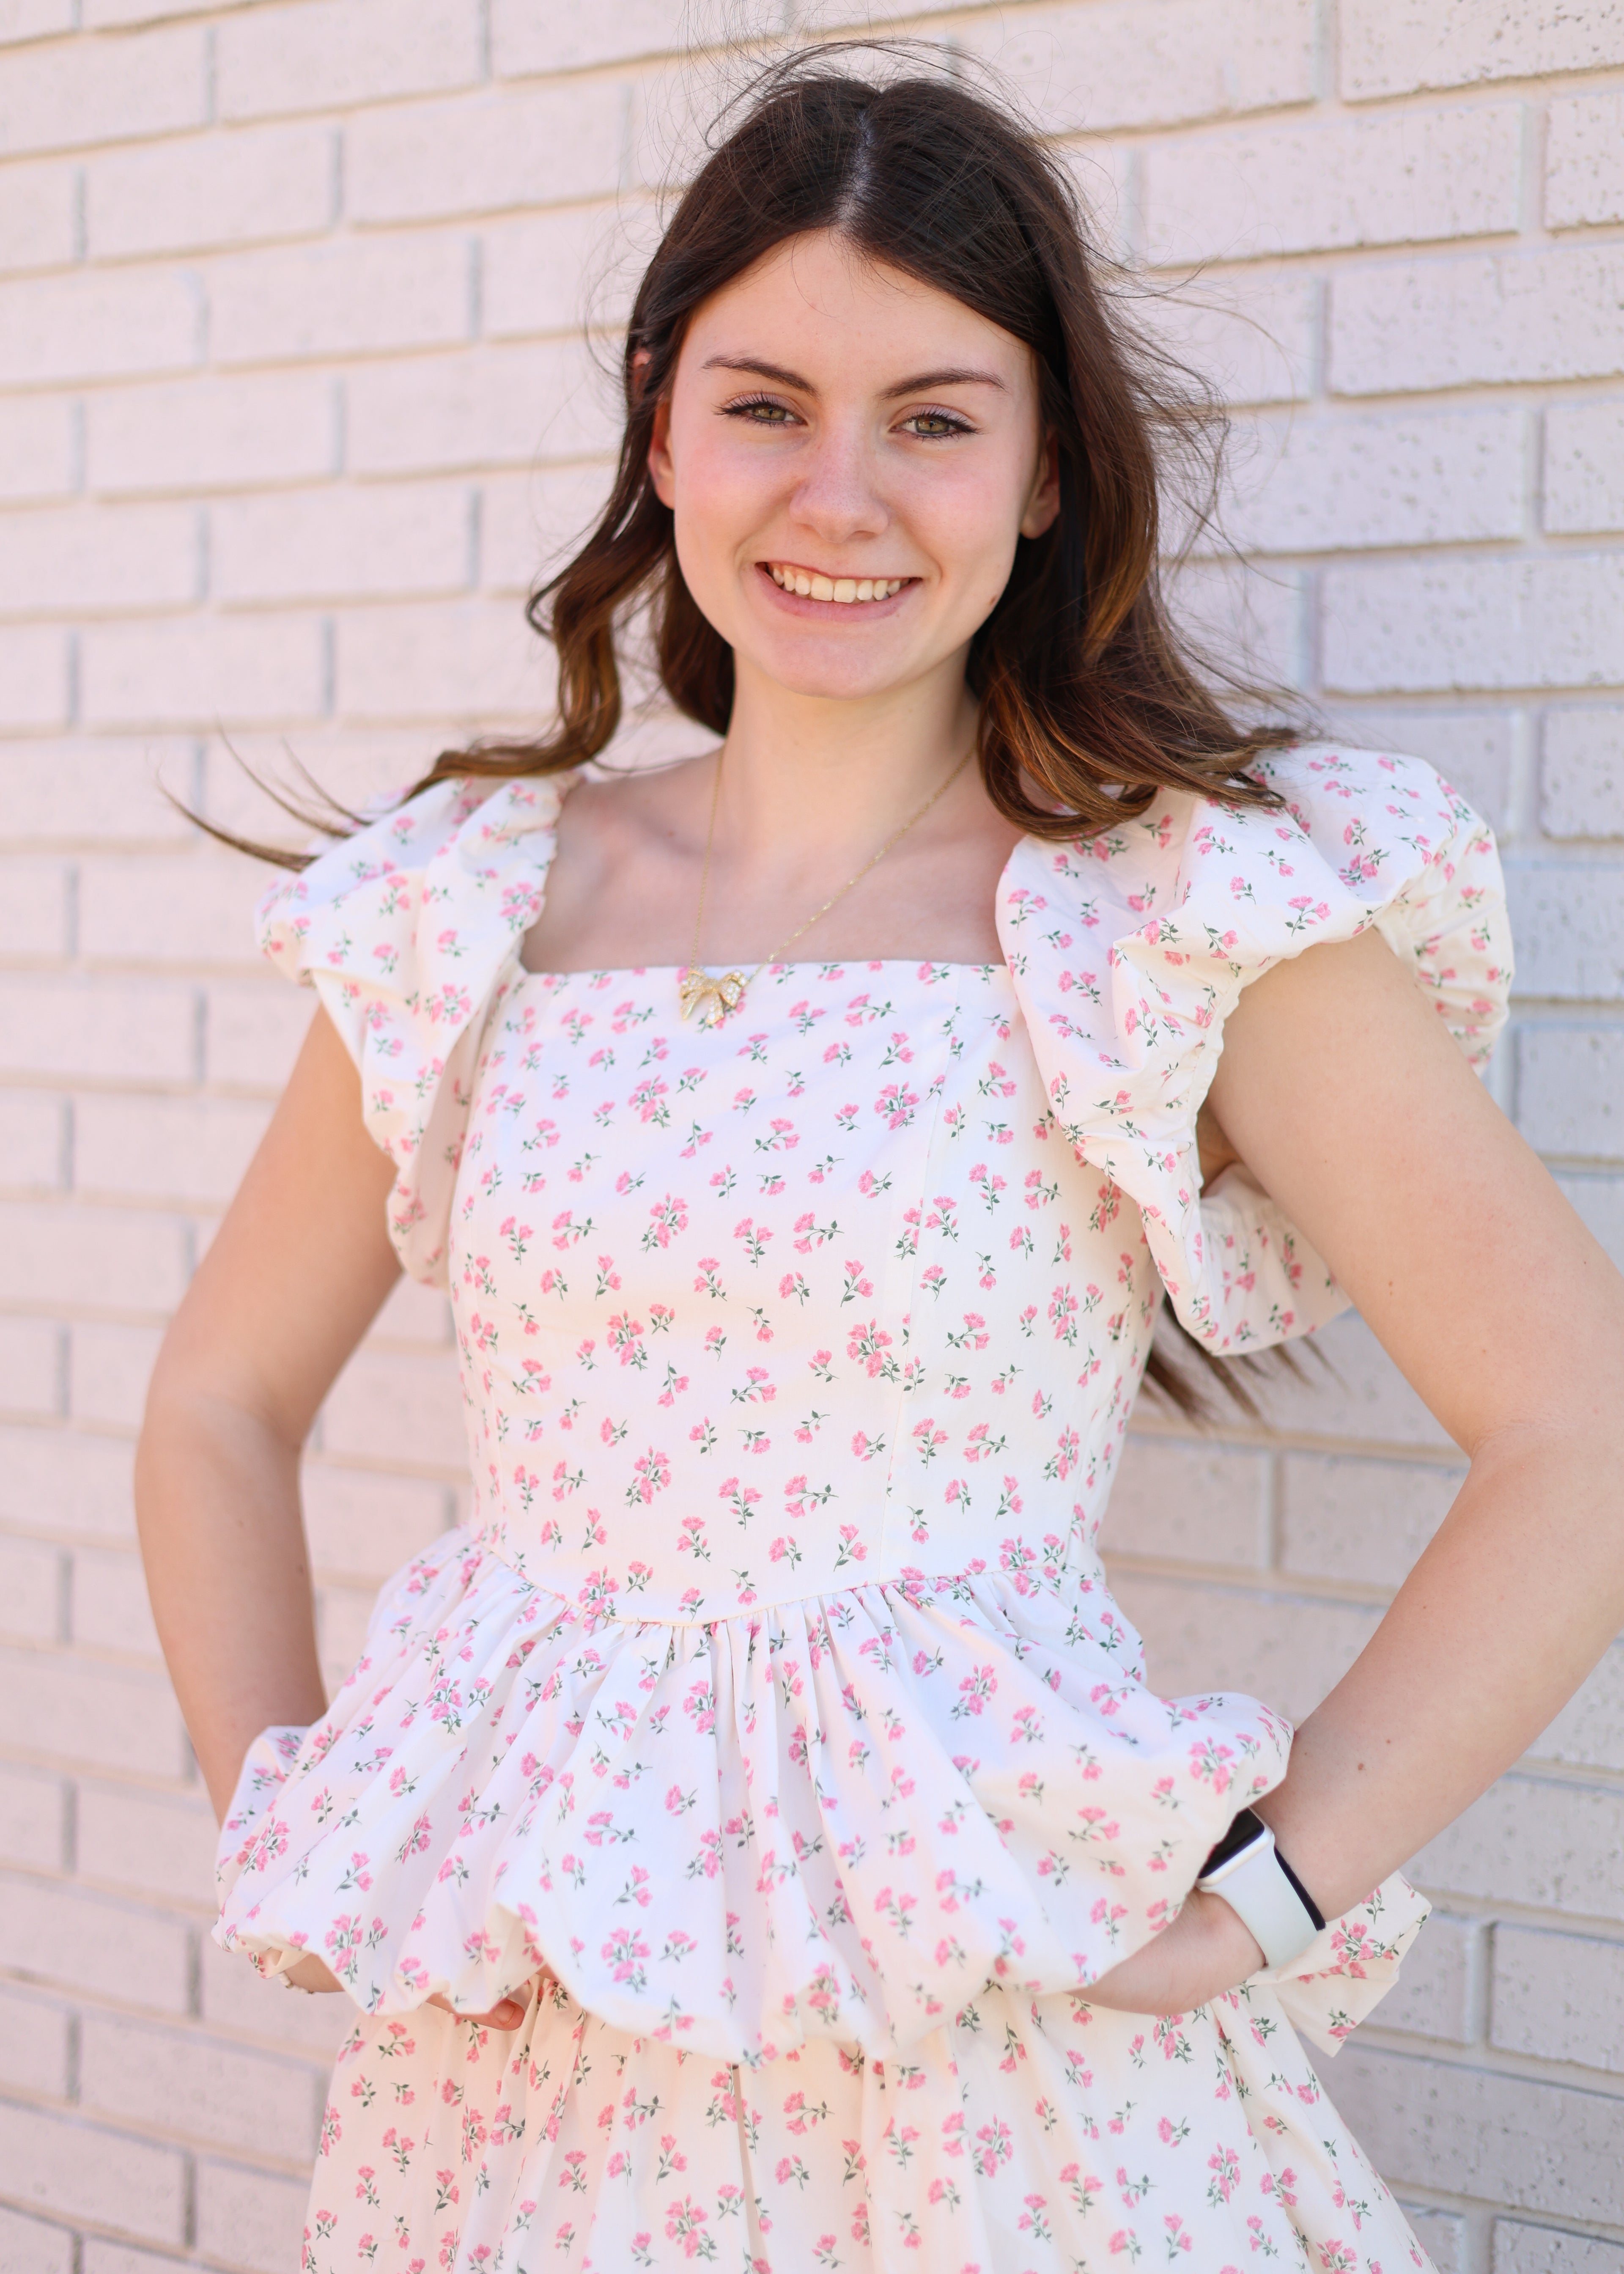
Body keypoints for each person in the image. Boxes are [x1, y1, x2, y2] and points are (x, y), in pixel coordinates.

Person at [135, 53, 1624, 2274]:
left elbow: (1580, 1424)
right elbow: (216, 1407)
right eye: (767, 404)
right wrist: (297, 1813)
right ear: (659, 426)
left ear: (1042, 475)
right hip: (539, 2046)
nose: (842, 493)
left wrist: (1270, 1895)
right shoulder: (478, 899)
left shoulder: (1167, 905)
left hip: (988, 2032)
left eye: (934, 416)